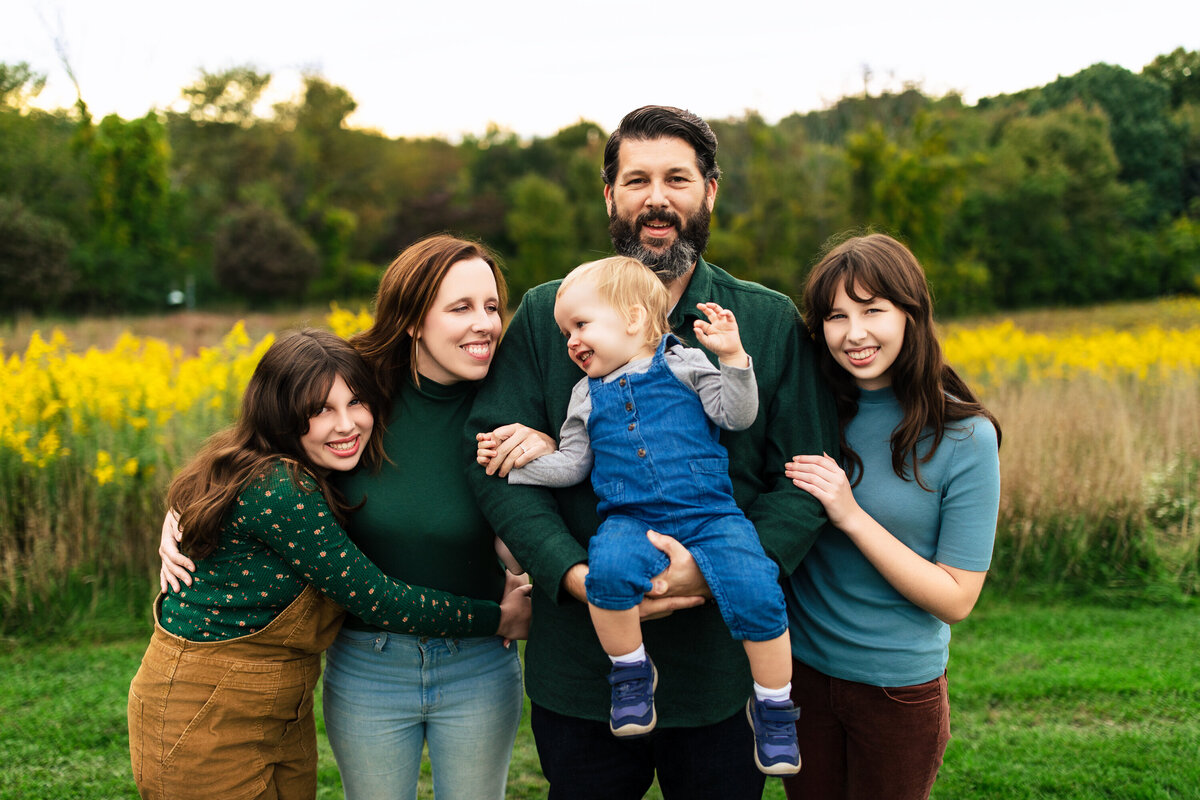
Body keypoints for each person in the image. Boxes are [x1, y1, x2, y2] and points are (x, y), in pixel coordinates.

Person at [466, 106, 839, 799]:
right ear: (609, 196)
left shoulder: (761, 320)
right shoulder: (551, 319)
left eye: (678, 178)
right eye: (636, 180)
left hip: (723, 668)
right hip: (582, 667)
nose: (657, 199)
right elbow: (495, 471)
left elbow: (806, 476)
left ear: (710, 192)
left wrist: (709, 571)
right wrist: (571, 575)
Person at [157, 236, 550, 799]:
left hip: (481, 665)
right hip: (369, 662)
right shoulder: (355, 395)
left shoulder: (510, 400)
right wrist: (179, 518)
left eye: (492, 306)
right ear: (413, 319)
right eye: (460, 307)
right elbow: (254, 454)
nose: (484, 323)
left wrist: (544, 443)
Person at [477, 255, 801, 775]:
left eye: (581, 325)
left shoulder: (686, 362)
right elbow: (571, 465)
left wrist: (736, 360)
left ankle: (774, 705)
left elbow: (736, 415)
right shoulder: (584, 394)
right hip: (628, 518)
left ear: (631, 319)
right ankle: (630, 673)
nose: (571, 342)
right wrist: (517, 468)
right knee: (607, 576)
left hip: (710, 515)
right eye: (564, 333)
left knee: (757, 587)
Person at [781, 233, 1002, 800]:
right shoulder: (807, 413)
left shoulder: (966, 436)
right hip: (799, 674)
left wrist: (850, 515)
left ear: (911, 313)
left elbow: (957, 597)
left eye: (873, 310)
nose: (854, 333)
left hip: (898, 692)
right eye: (835, 316)